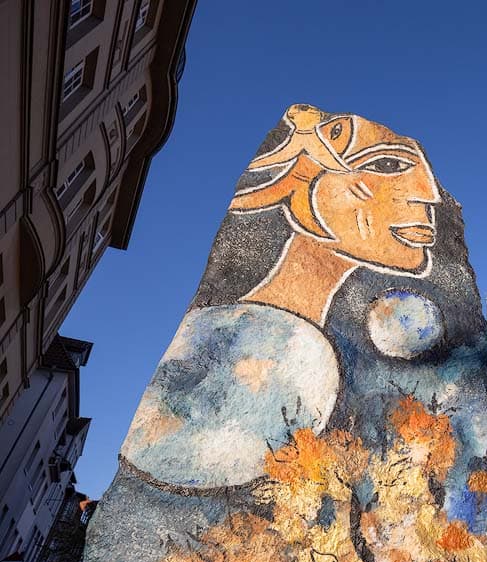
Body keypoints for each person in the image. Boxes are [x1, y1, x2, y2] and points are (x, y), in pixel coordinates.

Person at [120, 105, 442, 489]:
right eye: (387, 165)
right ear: (305, 176)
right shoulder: (236, 347)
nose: (432, 195)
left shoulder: (296, 353)